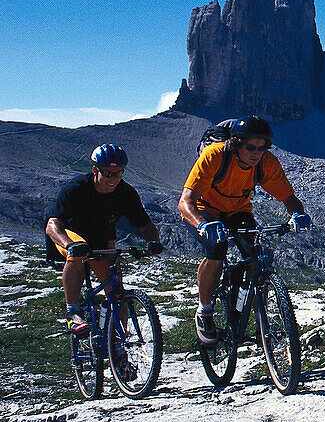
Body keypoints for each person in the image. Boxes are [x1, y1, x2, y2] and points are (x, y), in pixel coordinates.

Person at [177, 115, 311, 344]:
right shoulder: (214, 156)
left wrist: (297, 213)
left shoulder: (266, 163)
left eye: (263, 148)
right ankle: (204, 311)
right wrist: (202, 223)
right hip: (204, 210)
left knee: (256, 256)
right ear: (236, 143)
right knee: (216, 249)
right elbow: (185, 202)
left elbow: (288, 197)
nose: (257, 153)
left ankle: (259, 320)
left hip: (238, 211)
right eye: (251, 147)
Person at [46, 144, 163, 335]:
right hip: (69, 235)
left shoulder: (126, 192)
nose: (113, 179)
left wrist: (153, 242)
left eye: (118, 174)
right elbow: (52, 224)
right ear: (95, 169)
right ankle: (72, 312)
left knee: (116, 293)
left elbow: (145, 225)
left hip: (101, 238)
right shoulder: (75, 189)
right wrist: (69, 244)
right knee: (77, 252)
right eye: (108, 173)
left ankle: (118, 345)